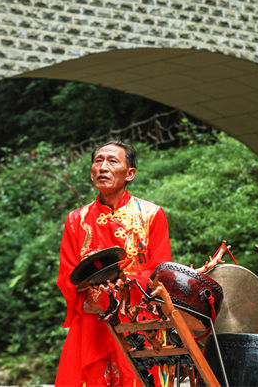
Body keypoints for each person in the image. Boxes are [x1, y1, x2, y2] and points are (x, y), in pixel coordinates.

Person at [55, 141, 172, 386]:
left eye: (112, 161)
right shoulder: (77, 220)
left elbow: (161, 270)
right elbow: (67, 274)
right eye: (98, 161)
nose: (103, 168)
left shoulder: (151, 214)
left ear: (130, 173)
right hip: (92, 323)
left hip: (137, 318)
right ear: (91, 172)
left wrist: (126, 282)